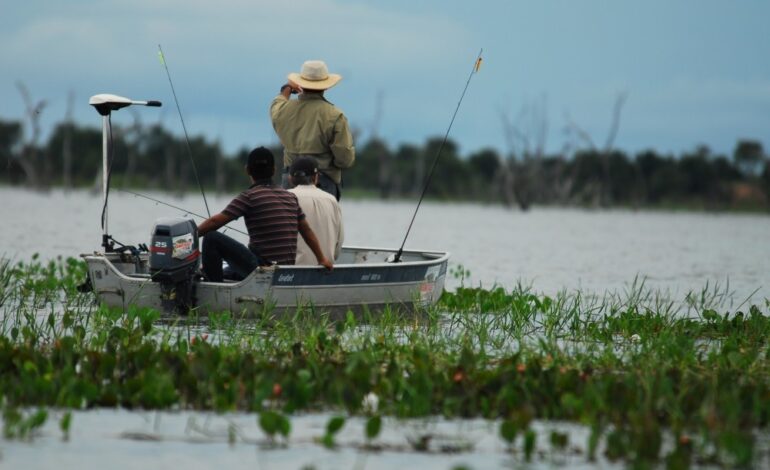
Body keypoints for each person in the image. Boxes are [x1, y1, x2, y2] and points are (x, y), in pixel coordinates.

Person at [197, 146, 333, 282]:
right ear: (273, 170)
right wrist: (322, 258)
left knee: (211, 238)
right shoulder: (290, 197)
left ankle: (215, 289)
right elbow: (307, 231)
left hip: (263, 269)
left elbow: (214, 222)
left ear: (247, 170)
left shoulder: (249, 196)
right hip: (285, 272)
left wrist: (191, 236)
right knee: (229, 271)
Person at [270, 60, 355, 201]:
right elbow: (345, 160)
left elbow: (275, 106)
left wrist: (286, 90)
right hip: (323, 183)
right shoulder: (335, 115)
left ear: (300, 84)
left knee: (289, 223)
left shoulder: (282, 111)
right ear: (326, 87)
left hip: (290, 183)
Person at [288, 157, 344, 265]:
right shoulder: (332, 200)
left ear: (290, 178)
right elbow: (337, 248)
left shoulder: (285, 198)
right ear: (315, 177)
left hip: (290, 273)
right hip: (325, 270)